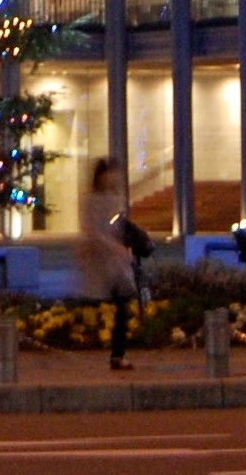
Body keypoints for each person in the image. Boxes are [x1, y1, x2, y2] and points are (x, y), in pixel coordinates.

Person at [76, 159, 135, 371]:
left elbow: (118, 226)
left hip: (115, 264)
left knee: (123, 306)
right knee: (93, 304)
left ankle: (117, 355)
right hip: (101, 261)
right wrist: (113, 247)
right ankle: (113, 353)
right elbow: (92, 231)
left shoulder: (115, 199)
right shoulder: (91, 200)